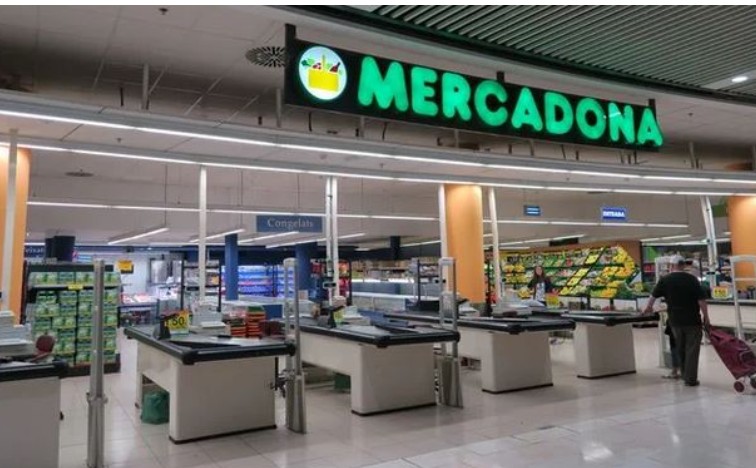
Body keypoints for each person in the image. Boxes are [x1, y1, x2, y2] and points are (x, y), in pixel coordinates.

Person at [644, 255, 708, 387]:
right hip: (692, 320)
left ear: (671, 266)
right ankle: (690, 379)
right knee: (692, 350)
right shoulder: (692, 279)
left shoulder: (665, 280)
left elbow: (653, 296)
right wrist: (706, 316)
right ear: (683, 265)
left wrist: (648, 308)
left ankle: (684, 375)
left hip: (675, 320)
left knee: (680, 348)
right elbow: (701, 300)